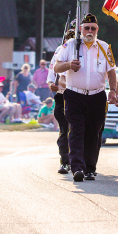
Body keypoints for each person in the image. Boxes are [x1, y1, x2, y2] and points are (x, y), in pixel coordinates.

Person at [52, 13, 118, 182]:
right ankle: (77, 168)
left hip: (97, 95)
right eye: (86, 28)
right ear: (81, 29)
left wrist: (113, 91)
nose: (89, 31)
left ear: (97, 30)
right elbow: (56, 67)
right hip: (74, 94)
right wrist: (69, 65)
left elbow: (111, 72)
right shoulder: (70, 45)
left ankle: (90, 168)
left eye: (93, 28)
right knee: (76, 131)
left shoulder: (105, 47)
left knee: (93, 132)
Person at [51, 27, 74, 174]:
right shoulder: (60, 51)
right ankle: (65, 161)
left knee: (77, 131)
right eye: (69, 38)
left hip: (78, 96)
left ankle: (77, 160)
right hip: (62, 96)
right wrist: (51, 84)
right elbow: (51, 73)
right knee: (64, 130)